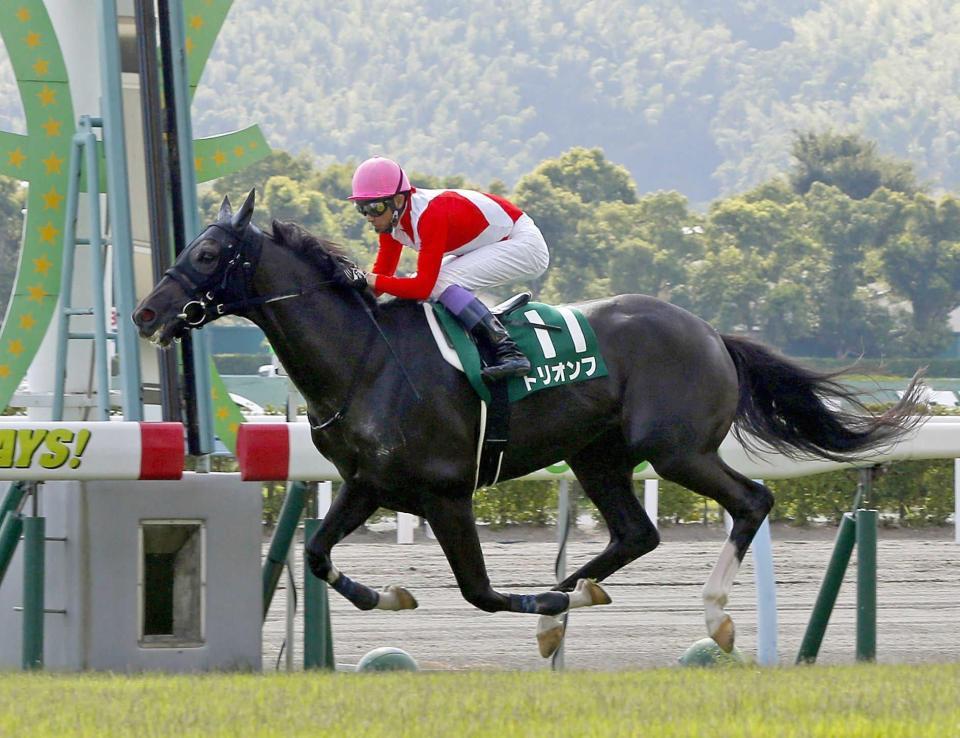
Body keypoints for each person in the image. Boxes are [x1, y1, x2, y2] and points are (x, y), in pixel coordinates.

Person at [346, 156, 550, 382]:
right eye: (361, 208)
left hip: (524, 244)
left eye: (375, 207)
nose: (369, 217)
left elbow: (421, 288)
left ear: (398, 200)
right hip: (495, 241)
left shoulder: (429, 215)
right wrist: (352, 297)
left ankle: (508, 350)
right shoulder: (393, 222)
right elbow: (382, 276)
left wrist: (368, 280)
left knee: (439, 283)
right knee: (425, 282)